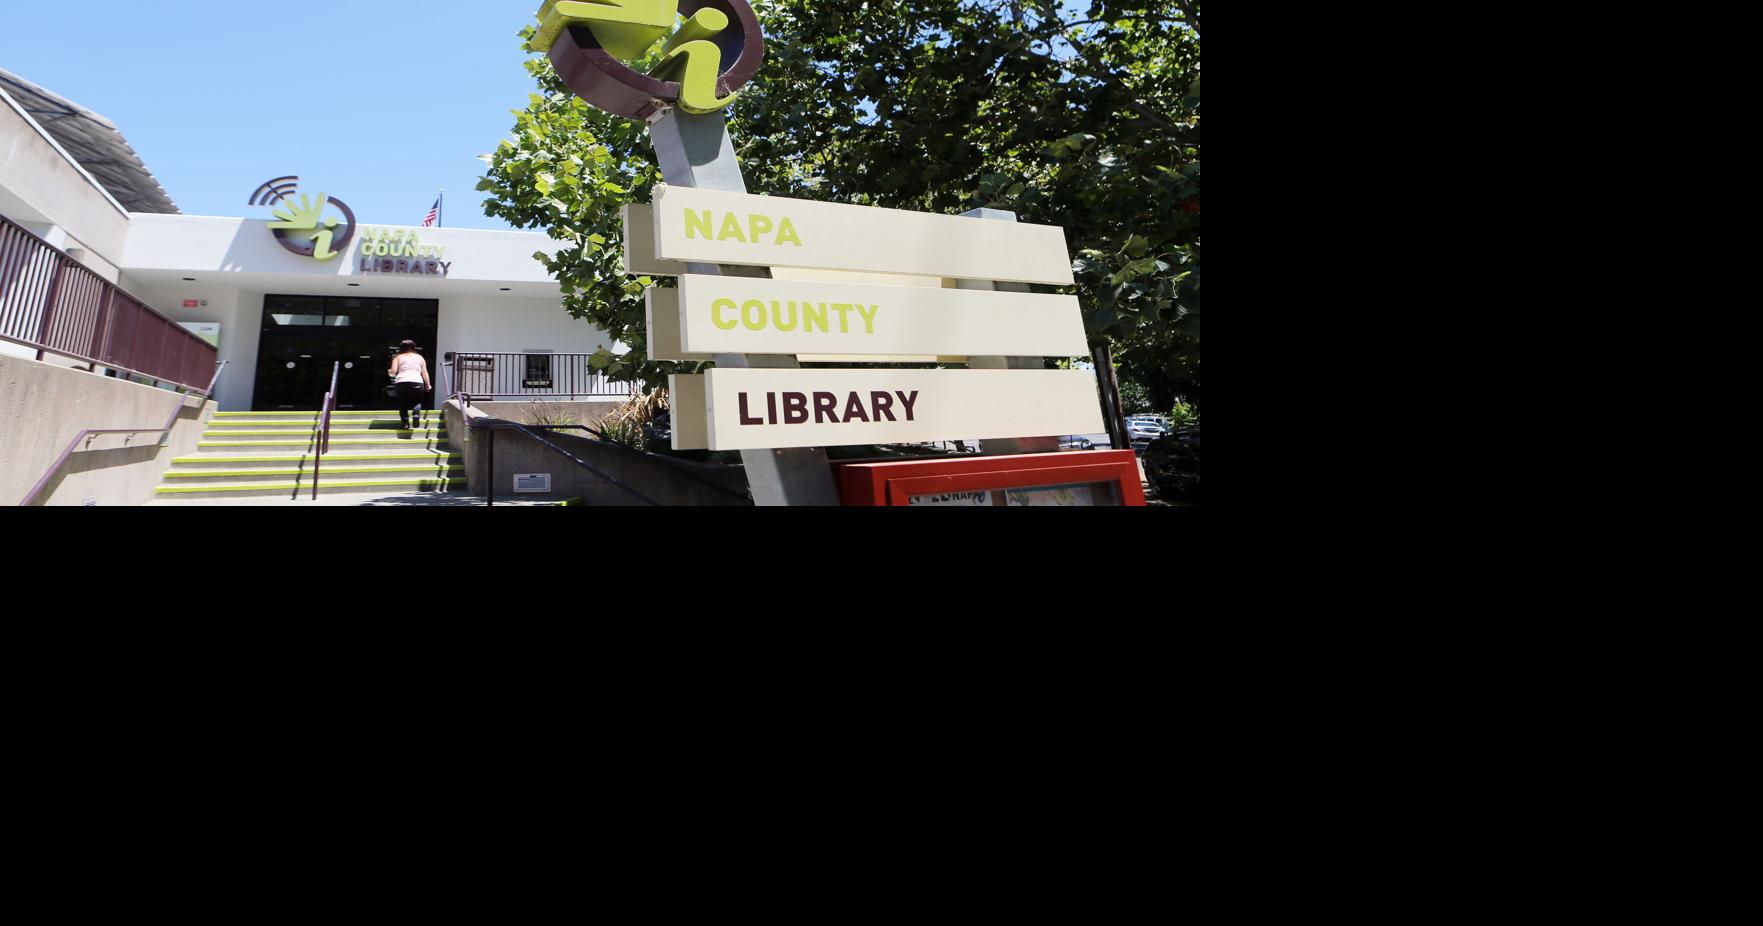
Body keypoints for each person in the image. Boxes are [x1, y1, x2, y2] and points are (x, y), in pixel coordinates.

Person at [387, 340, 432, 431]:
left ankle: (405, 423)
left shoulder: (398, 357)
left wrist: (389, 372)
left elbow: (393, 372)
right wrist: (428, 384)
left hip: (401, 382)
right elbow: (424, 371)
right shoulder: (420, 357)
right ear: (413, 347)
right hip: (417, 381)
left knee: (402, 403)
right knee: (417, 401)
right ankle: (415, 414)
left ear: (401, 348)